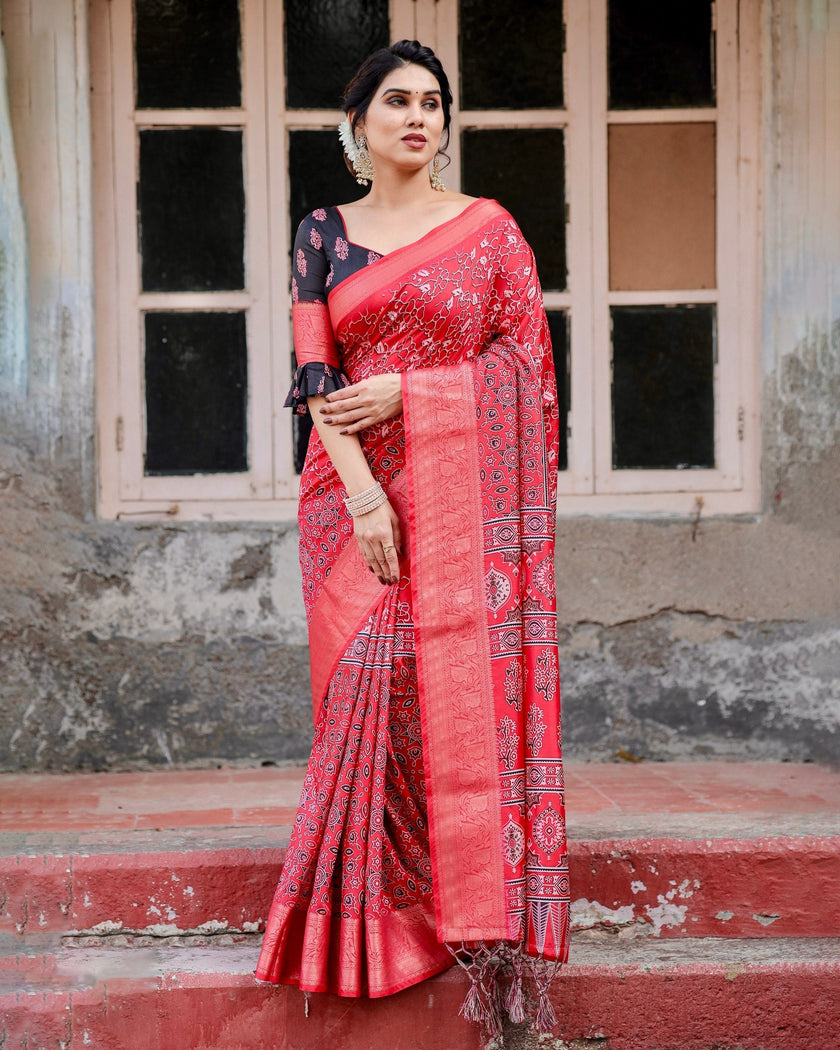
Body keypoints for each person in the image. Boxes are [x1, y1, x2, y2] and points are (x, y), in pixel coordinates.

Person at [256, 39, 569, 1035]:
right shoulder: (323, 232)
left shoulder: (489, 231)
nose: (418, 117)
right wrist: (364, 498)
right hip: (348, 496)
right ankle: (368, 930)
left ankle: (471, 920)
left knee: (449, 701)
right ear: (359, 123)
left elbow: (528, 373)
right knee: (370, 692)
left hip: (462, 499)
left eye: (432, 103)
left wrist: (414, 393)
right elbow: (316, 378)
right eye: (397, 101)